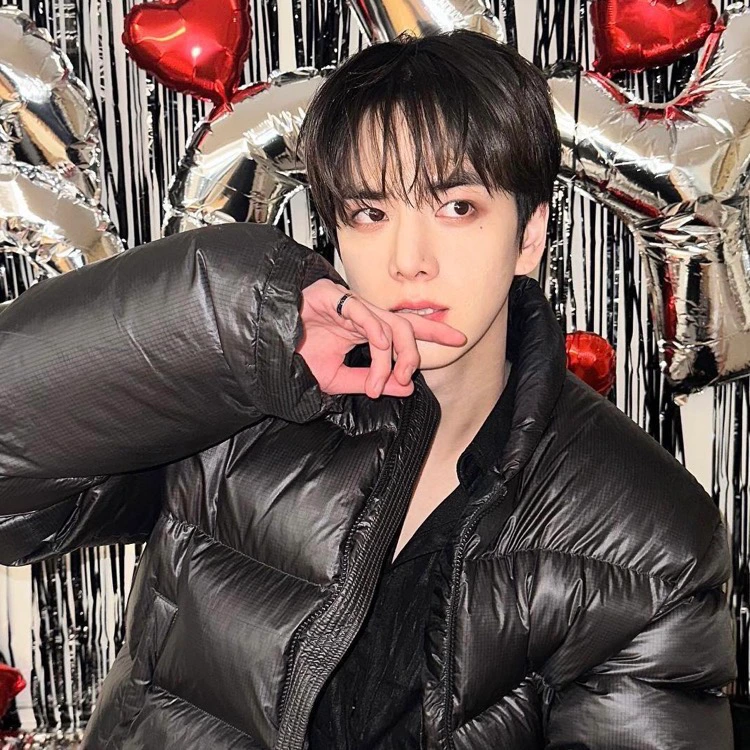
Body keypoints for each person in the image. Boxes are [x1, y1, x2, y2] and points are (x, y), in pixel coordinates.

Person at [0, 29, 736, 750]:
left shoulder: (648, 534)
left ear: (530, 234)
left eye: (457, 207)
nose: (409, 260)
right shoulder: (246, 408)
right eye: (371, 213)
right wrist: (230, 311)